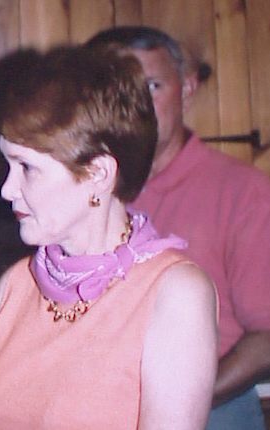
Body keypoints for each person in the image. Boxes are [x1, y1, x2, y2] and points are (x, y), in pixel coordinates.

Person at [0, 46, 217, 430]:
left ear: (98, 174)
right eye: (8, 164)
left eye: (27, 168)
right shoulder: (16, 284)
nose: (7, 190)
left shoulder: (175, 292)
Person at [86, 26, 270, 430]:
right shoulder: (83, 190)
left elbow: (267, 337)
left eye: (152, 86)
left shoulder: (244, 192)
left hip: (212, 410)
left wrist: (182, 400)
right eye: (118, 89)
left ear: (186, 89)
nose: (136, 105)